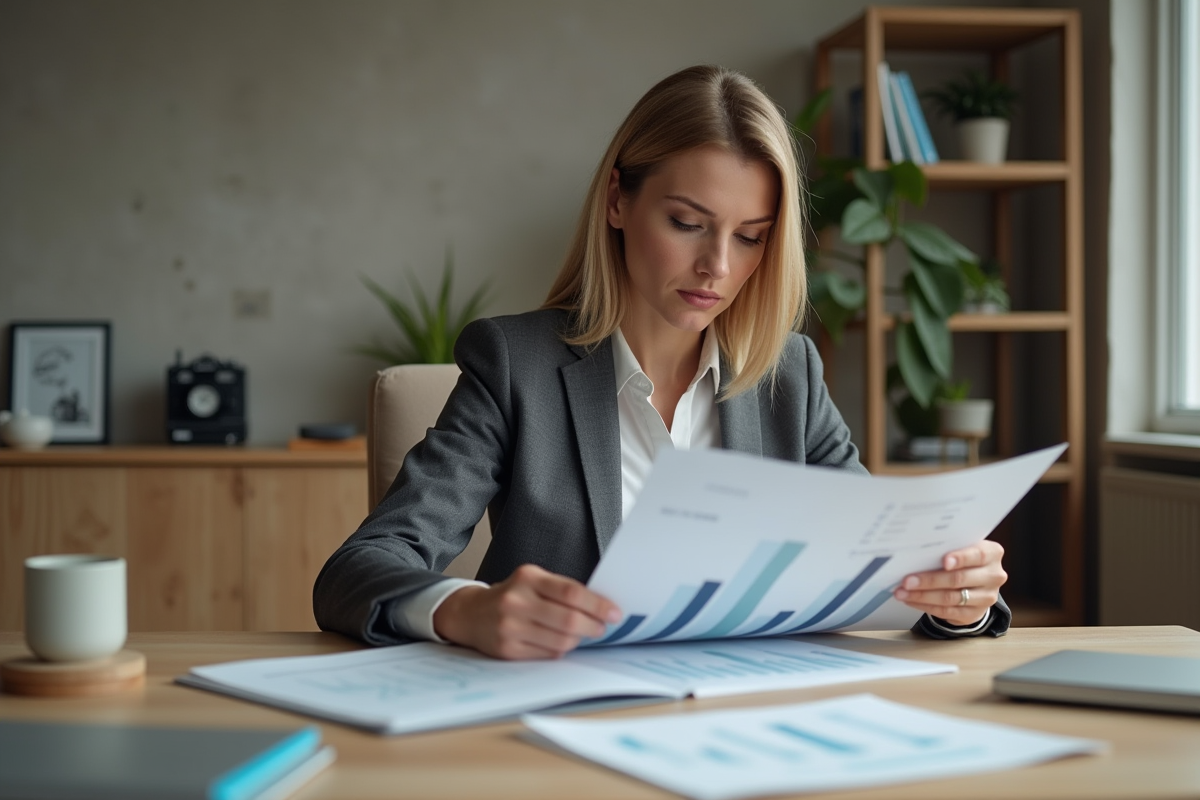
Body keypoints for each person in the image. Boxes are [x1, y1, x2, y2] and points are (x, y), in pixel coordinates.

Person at [313, 65, 1010, 659]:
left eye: (751, 237)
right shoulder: (512, 364)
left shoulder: (787, 374)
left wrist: (955, 596)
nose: (717, 265)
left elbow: (876, 567)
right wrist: (463, 610)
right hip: (562, 727)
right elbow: (359, 571)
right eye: (687, 223)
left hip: (749, 722)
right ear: (618, 199)